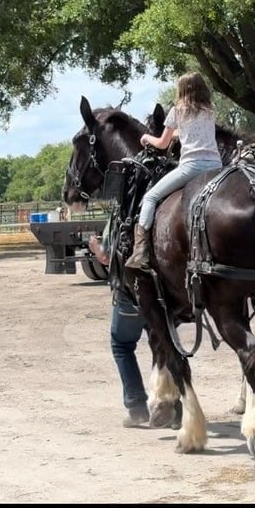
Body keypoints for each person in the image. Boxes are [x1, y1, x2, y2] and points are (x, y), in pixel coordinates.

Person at [125, 72, 223, 271]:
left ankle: (141, 250)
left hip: (192, 167)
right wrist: (179, 134)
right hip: (216, 166)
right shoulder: (210, 110)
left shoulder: (177, 111)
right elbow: (192, 130)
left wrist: (146, 138)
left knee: (151, 197)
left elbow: (162, 143)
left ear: (182, 90)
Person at [88, 228, 182, 429]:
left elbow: (105, 256)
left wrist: (95, 245)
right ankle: (173, 406)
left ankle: (136, 406)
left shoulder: (126, 213)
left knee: (121, 344)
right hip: (163, 300)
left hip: (131, 299)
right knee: (164, 346)